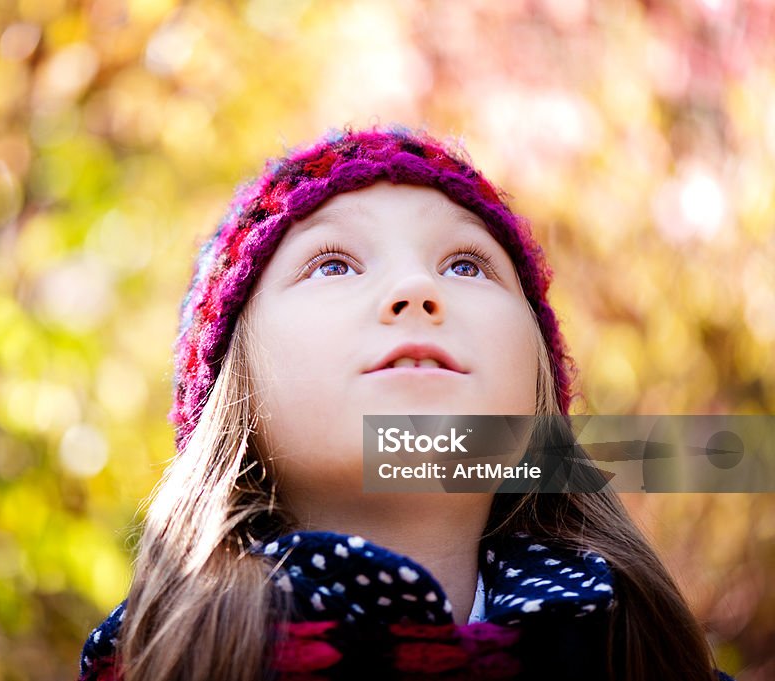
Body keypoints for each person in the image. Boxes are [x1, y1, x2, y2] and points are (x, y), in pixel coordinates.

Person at [76, 126, 733, 680]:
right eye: (333, 263)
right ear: (231, 389)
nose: (418, 287)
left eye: (467, 265)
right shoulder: (152, 664)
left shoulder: (649, 656)